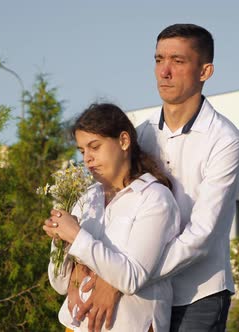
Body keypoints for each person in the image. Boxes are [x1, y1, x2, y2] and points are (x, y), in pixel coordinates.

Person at [68, 24, 239, 332]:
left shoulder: (224, 138)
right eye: (159, 59)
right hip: (143, 298)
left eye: (178, 61)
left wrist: (123, 278)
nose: (164, 71)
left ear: (205, 71)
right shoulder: (144, 132)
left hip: (199, 294)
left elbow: (200, 236)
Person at [43, 103, 181, 331]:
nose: (87, 159)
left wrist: (76, 237)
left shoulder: (154, 198)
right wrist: (61, 243)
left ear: (124, 141)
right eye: (82, 151)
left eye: (94, 147)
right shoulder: (85, 199)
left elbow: (131, 277)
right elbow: (59, 285)